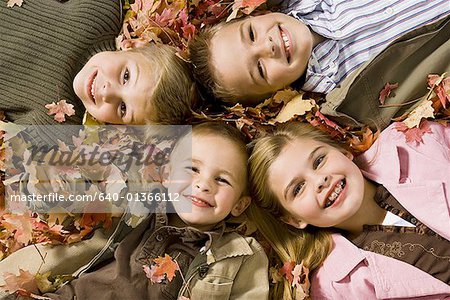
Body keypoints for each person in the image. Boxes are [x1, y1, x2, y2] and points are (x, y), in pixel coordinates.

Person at [33, 122, 269, 299]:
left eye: (222, 180)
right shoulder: (136, 207)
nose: (204, 184)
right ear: (167, 175)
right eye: (192, 169)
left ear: (239, 204)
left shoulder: (242, 256)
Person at [248, 121, 450, 299]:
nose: (320, 180)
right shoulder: (336, 289)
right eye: (298, 188)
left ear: (344, 153)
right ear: (292, 219)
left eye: (319, 161)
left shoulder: (413, 142)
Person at [188, 0, 450, 107]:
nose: (267, 47)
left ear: (255, 15)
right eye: (259, 69)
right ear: (273, 96)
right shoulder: (348, 90)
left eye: (251, 34)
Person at [0, 0, 199, 128]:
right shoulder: (102, 14)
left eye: (122, 108)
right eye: (126, 76)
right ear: (132, 44)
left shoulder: (61, 122)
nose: (107, 93)